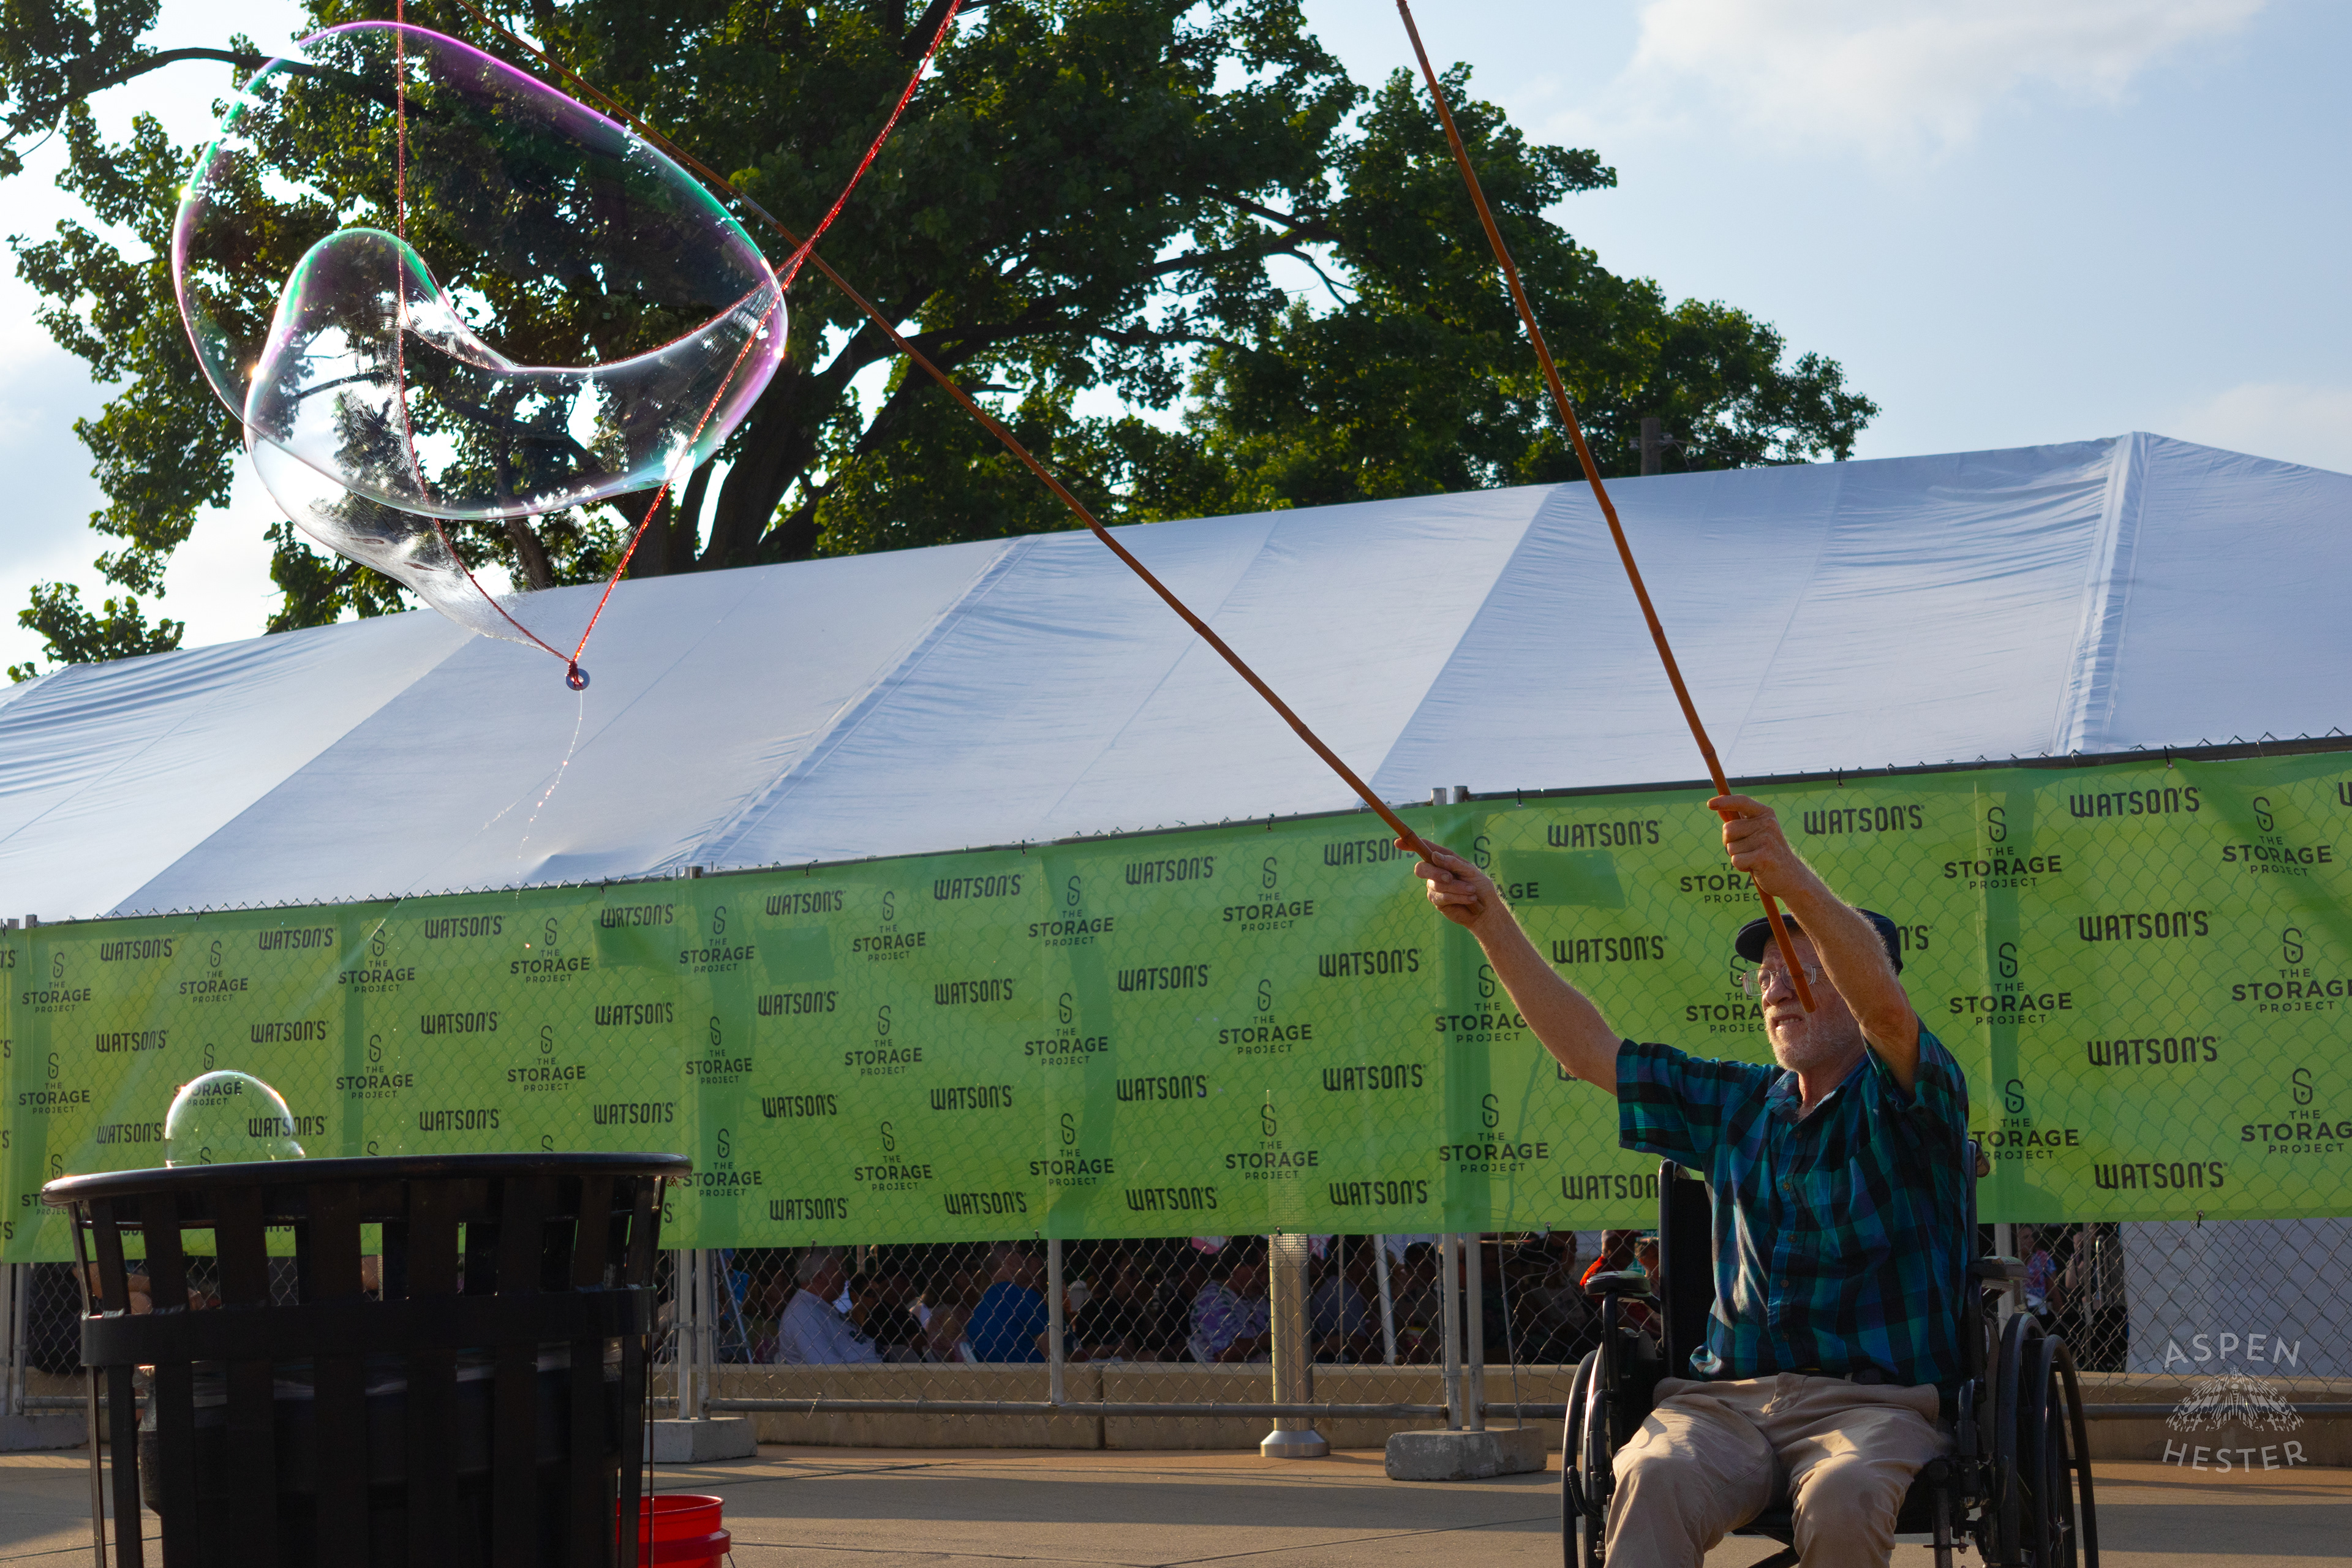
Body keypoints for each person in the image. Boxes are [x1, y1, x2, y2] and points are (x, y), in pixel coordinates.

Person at [1414, 793, 1969, 1568]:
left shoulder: (1909, 1098)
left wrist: (1791, 879)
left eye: (1802, 968)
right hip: (1724, 1405)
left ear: (1853, 976)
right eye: (1767, 974)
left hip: (1874, 1406)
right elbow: (1589, 1050)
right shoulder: (1740, 1103)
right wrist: (1489, 921)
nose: (1776, 986)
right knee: (1652, 1472)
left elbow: (1886, 1010)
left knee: (1843, 1495)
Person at [774, 1247, 880, 1365]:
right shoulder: (803, 1314)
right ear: (819, 1276)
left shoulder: (818, 1306)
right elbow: (829, 1370)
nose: (847, 1274)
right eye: (841, 1268)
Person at [1188, 1238, 1272, 1363]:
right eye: (1260, 1273)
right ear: (1236, 1266)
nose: (1265, 1280)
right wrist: (1272, 1338)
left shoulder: (1256, 1298)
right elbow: (1226, 1355)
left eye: (1269, 1273)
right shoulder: (1212, 1299)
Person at [965, 1242, 1051, 1363]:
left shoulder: (980, 1307)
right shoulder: (1025, 1297)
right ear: (1008, 1257)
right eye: (1022, 1254)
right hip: (1036, 1376)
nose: (1025, 1259)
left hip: (994, 1378)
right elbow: (1053, 1353)